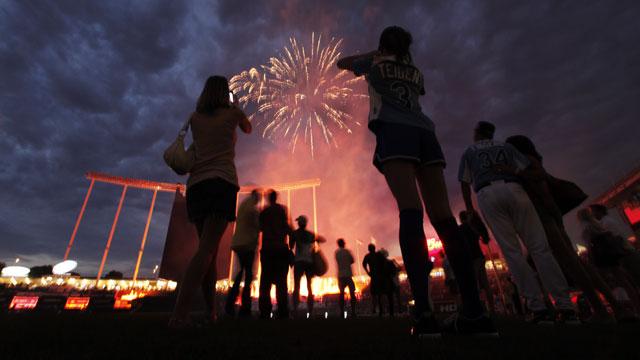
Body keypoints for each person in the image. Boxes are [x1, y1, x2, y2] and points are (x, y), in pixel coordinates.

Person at [338, 25, 495, 336]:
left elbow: (342, 62)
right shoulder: (416, 72)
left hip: (395, 131)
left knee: (410, 211)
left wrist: (376, 54)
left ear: (382, 45)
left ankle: (423, 314)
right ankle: (475, 313)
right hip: (426, 133)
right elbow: (415, 91)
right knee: (443, 218)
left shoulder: (374, 64)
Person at [459, 121, 577, 324]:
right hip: (515, 189)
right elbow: (529, 169)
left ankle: (537, 308)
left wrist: (469, 207)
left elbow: (464, 181)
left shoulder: (469, 150)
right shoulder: (506, 147)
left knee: (512, 252)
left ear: (477, 133)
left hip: (487, 192)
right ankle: (565, 306)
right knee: (540, 248)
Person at [503, 135, 631, 322]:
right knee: (575, 262)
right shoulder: (532, 159)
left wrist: (514, 172)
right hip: (550, 212)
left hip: (544, 214)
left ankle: (605, 310)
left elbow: (539, 175)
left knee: (572, 263)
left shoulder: (526, 162)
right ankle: (610, 307)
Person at [169, 75, 252, 328]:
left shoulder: (195, 118)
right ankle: (179, 315)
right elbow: (248, 128)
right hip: (221, 183)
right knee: (206, 250)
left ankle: (211, 312)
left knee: (211, 251)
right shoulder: (232, 114)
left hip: (196, 187)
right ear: (225, 92)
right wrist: (236, 104)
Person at [578, 208, 640, 312]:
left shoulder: (586, 228)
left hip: (601, 257)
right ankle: (636, 305)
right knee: (624, 281)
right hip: (611, 254)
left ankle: (621, 308)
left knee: (607, 283)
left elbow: (588, 245)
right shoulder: (599, 224)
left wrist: (590, 260)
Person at [225, 189, 260, 318]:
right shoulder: (252, 208)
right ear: (256, 197)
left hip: (238, 243)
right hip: (248, 245)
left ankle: (229, 305)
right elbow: (258, 225)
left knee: (240, 274)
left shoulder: (243, 205)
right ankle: (245, 308)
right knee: (248, 275)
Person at [258, 190, 292, 319]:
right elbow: (287, 227)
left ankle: (264, 312)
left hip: (267, 250)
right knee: (281, 283)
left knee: (265, 283)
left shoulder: (264, 212)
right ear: (276, 198)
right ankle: (283, 311)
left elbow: (259, 228)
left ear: (268, 199)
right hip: (281, 250)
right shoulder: (282, 210)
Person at [590, 204, 640, 288]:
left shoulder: (607, 223)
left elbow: (617, 239)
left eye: (593, 212)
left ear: (600, 211)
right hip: (625, 253)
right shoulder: (605, 222)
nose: (592, 215)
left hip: (626, 253)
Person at [459, 211, 496, 312]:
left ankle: (478, 307)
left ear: (460, 218)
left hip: (471, 258)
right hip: (479, 256)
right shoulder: (473, 227)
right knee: (485, 282)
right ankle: (492, 307)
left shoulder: (461, 229)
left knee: (474, 283)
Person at [290, 215, 324, 315]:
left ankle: (295, 309)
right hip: (309, 262)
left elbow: (291, 246)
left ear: (299, 223)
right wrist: (314, 242)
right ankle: (310, 310)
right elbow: (322, 239)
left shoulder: (295, 234)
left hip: (299, 262)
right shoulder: (310, 234)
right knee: (309, 286)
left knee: (297, 286)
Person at [335, 238, 357, 317]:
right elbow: (352, 261)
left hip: (340, 275)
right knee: (352, 293)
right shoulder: (347, 252)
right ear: (343, 244)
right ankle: (353, 311)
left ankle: (341, 312)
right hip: (348, 274)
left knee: (341, 294)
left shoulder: (336, 253)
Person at [362, 243, 384, 315]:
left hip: (374, 277)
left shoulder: (368, 256)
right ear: (374, 248)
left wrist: (368, 272)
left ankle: (374, 309)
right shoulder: (379, 255)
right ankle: (381, 309)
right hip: (380, 276)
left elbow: (364, 264)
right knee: (380, 294)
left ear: (369, 249)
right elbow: (384, 262)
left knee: (374, 294)